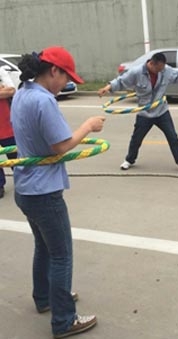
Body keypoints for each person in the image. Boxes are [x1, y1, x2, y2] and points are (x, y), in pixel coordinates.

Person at [10, 46, 105, 338]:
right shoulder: (44, 100)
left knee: (44, 248)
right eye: (65, 77)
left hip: (25, 188)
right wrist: (88, 125)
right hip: (44, 192)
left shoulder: (22, 92)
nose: (66, 83)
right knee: (62, 254)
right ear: (53, 70)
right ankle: (64, 320)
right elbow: (61, 146)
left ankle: (45, 298)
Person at [98, 52, 178, 174]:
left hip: (161, 110)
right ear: (152, 64)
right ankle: (129, 160)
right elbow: (121, 81)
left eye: (162, 68)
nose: (161, 71)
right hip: (145, 112)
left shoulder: (165, 70)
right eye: (158, 69)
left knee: (173, 137)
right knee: (136, 139)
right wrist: (107, 88)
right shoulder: (136, 72)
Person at [0, 66, 17, 198]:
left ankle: (23, 181)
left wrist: (4, 91)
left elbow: (11, 90)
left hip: (6, 125)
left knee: (15, 157)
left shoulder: (1, 71)